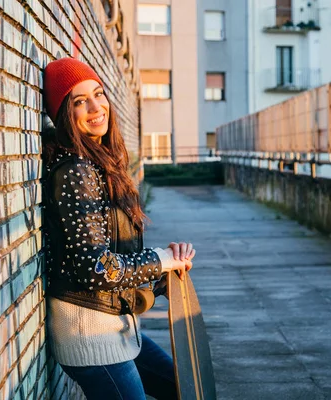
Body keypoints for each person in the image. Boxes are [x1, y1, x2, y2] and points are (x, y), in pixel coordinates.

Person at [41, 57, 195, 399]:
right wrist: (160, 258)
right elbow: (96, 268)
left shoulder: (100, 162)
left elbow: (113, 256)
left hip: (117, 324)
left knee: (183, 387)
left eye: (98, 94)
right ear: (65, 114)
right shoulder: (75, 171)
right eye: (80, 102)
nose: (97, 107)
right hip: (90, 332)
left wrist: (161, 275)